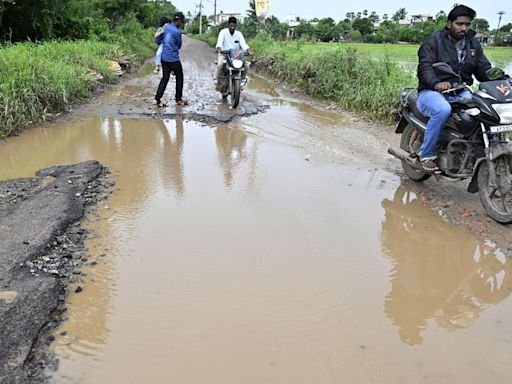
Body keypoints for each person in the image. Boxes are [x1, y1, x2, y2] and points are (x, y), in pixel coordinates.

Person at [416, 4, 491, 172]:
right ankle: (426, 155)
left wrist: (501, 78)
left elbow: (483, 69)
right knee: (442, 110)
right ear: (450, 23)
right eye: (460, 24)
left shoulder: (473, 44)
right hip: (431, 91)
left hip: (460, 91)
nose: (464, 28)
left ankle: (479, 150)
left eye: (467, 24)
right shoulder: (433, 41)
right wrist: (436, 83)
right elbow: (425, 68)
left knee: (485, 111)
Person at [154, 11, 188, 107]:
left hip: (164, 58)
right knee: (179, 77)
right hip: (173, 59)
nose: (181, 24)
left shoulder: (165, 27)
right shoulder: (177, 32)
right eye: (181, 22)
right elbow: (179, 45)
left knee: (165, 78)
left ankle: (157, 99)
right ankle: (178, 99)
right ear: (179, 21)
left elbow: (157, 40)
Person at [215, 16, 252, 91]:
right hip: (224, 54)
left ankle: (240, 82)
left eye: (234, 26)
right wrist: (219, 49)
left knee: (246, 65)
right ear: (228, 25)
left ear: (236, 26)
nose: (232, 28)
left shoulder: (239, 34)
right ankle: (217, 81)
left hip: (236, 55)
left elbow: (244, 44)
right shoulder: (223, 32)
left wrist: (248, 50)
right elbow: (219, 43)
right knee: (220, 64)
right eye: (231, 26)